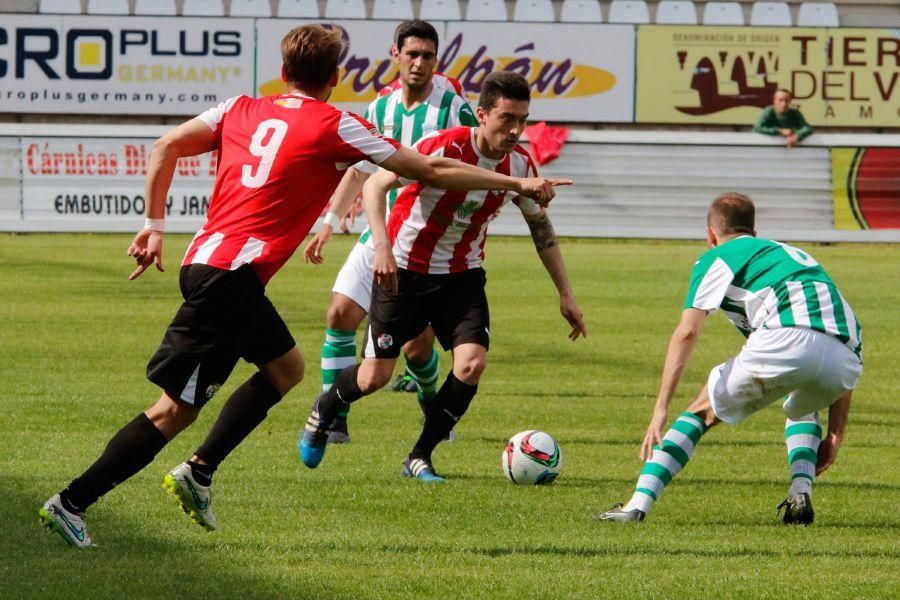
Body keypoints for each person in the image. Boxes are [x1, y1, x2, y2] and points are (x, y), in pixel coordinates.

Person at [37, 25, 566, 549]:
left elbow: (166, 145)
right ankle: (74, 502)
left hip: (211, 266)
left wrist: (154, 227)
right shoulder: (338, 124)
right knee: (173, 410)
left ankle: (198, 472)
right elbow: (427, 167)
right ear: (335, 77)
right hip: (229, 278)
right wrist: (516, 182)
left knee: (285, 368)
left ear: (283, 72)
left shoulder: (238, 108)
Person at [299, 72, 588, 482]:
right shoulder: (443, 145)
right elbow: (375, 186)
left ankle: (420, 455)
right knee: (375, 376)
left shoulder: (522, 163)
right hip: (406, 273)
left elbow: (542, 230)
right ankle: (325, 407)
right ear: (482, 113)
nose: (516, 129)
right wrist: (380, 247)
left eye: (523, 120)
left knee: (471, 365)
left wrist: (566, 294)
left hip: (462, 276)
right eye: (507, 118)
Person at [599, 193, 862, 525]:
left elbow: (687, 332)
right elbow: (833, 338)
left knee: (700, 412)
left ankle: (636, 505)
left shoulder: (718, 257)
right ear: (754, 229)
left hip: (787, 337)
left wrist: (659, 409)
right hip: (846, 356)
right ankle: (800, 490)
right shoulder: (790, 254)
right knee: (802, 401)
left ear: (711, 233)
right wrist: (835, 436)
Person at [303, 20, 478, 444]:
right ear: (395, 54)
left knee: (418, 347)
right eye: (412, 54)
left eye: (428, 57)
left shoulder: (454, 108)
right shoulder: (380, 108)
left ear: (438, 61)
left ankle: (431, 400)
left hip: (423, 239)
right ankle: (334, 417)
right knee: (339, 313)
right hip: (379, 230)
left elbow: (475, 162)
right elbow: (362, 168)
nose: (420, 64)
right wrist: (329, 221)